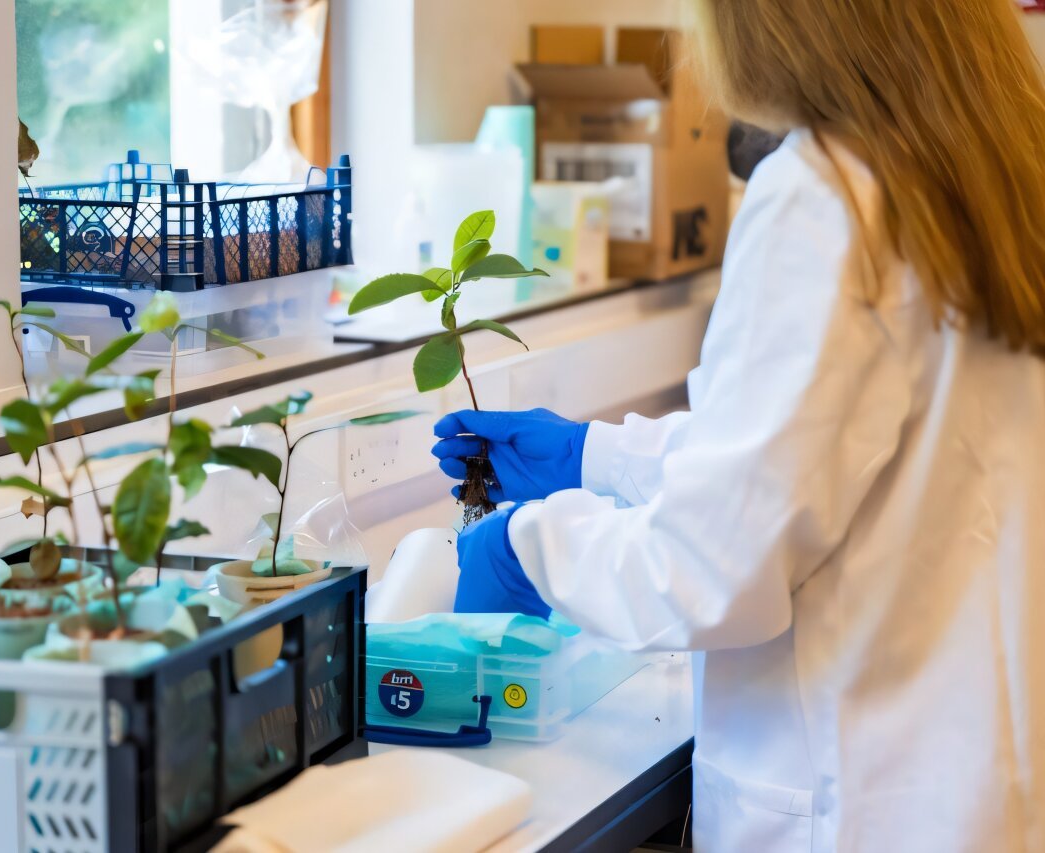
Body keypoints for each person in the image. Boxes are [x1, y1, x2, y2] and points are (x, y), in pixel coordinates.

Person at [432, 1, 1045, 850]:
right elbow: (827, 451)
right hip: (971, 780)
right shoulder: (990, 165)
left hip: (859, 801)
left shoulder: (826, 194)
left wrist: (530, 547)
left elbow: (712, 566)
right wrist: (594, 456)